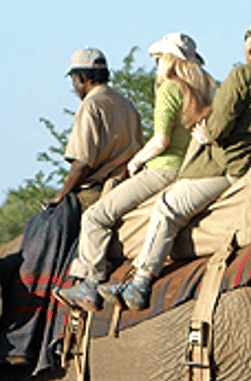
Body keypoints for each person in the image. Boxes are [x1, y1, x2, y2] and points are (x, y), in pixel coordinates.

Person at [104, 16, 251, 311]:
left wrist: (207, 133)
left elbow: (218, 124)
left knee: (167, 207)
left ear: (250, 42)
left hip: (224, 167)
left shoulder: (243, 77)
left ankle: (141, 281)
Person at [56, 33, 216, 312]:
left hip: (161, 169)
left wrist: (135, 164)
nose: (155, 64)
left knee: (95, 216)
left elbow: (159, 142)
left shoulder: (168, 89)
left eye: (158, 59)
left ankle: (90, 283)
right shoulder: (201, 92)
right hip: (189, 169)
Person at [47, 47, 144, 210]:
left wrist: (60, 195)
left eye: (74, 80)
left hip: (96, 193)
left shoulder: (90, 105)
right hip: (128, 187)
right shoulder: (127, 104)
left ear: (82, 78)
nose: (75, 87)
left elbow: (82, 163)